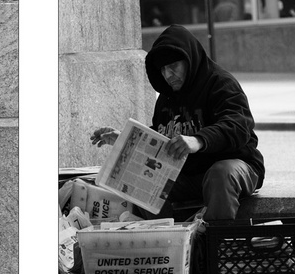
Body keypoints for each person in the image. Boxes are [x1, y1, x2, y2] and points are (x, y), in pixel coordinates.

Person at [91, 25, 264, 221]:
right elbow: (161, 138)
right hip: (188, 175)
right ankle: (168, 242)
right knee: (141, 179)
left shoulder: (220, 83)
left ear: (190, 60)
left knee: (220, 173)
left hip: (235, 168)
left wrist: (198, 140)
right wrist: (126, 139)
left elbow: (239, 125)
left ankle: (217, 244)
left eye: (173, 66)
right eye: (163, 69)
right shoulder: (166, 98)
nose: (168, 74)